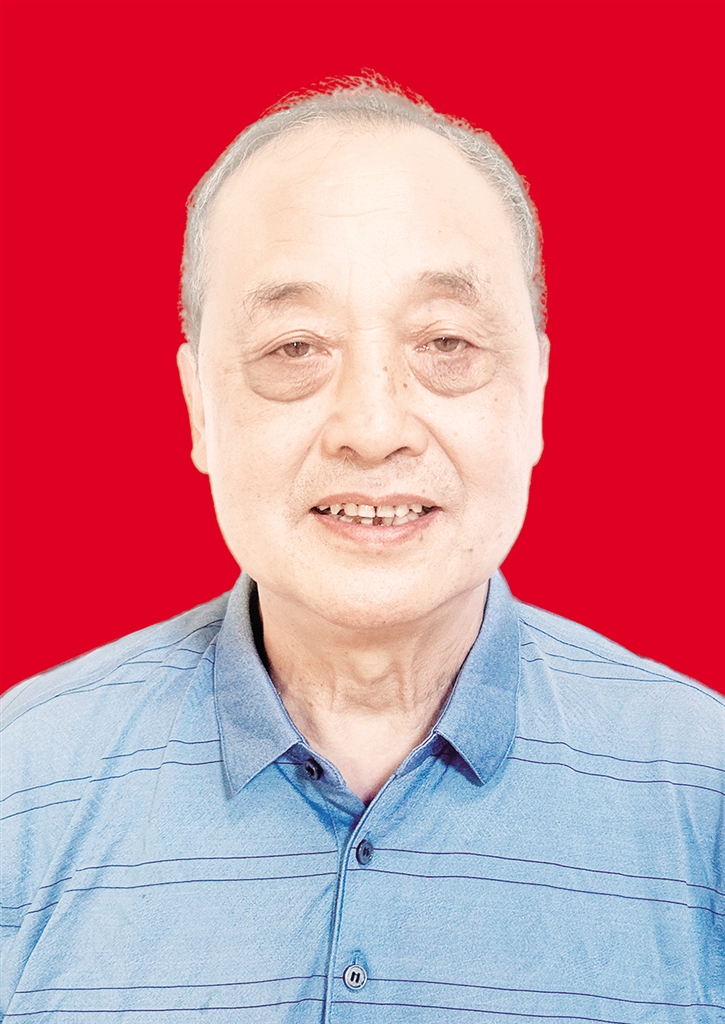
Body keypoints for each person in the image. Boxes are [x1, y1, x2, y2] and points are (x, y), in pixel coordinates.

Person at [1, 78, 723, 1023]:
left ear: (537, 394)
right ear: (198, 408)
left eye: (446, 342)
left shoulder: (702, 785)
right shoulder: (23, 783)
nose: (373, 428)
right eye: (295, 348)